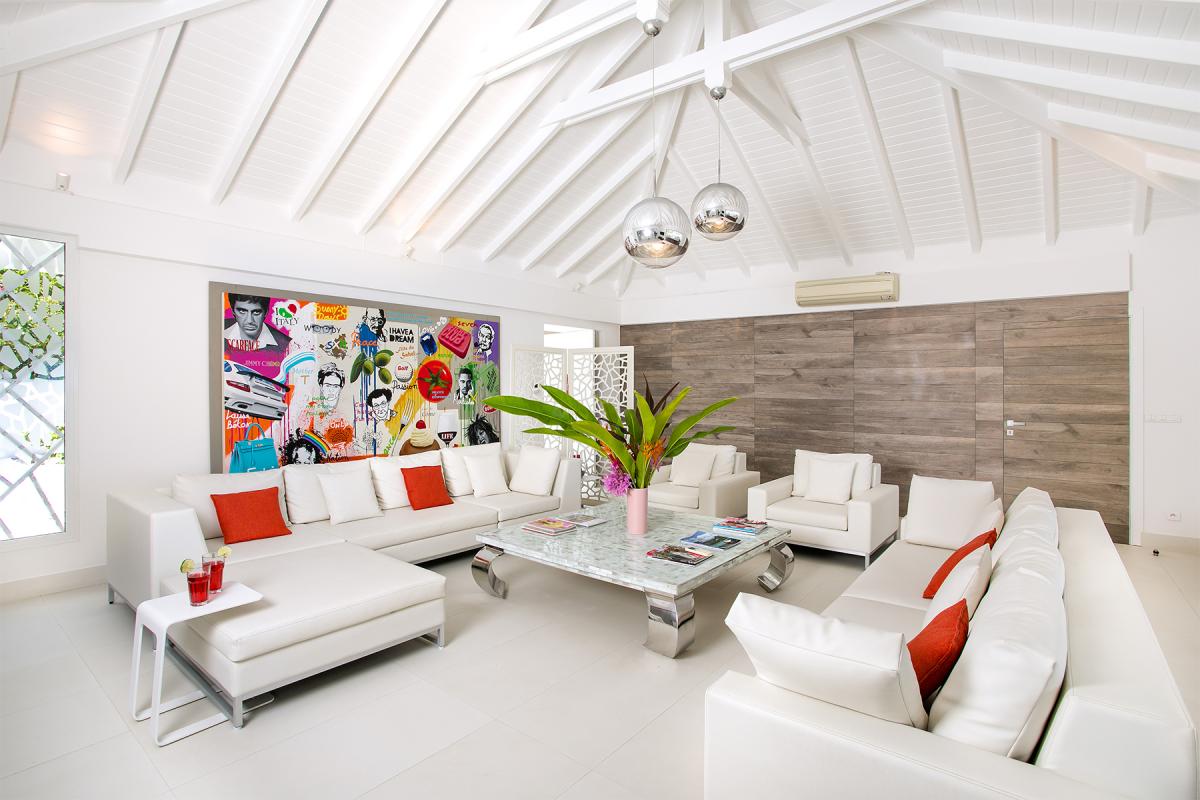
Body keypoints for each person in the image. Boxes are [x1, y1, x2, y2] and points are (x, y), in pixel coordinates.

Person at [223, 294, 293, 378]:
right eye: (242, 311)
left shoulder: (287, 346)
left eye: (256, 312)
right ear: (233, 311)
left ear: (266, 312)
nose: (249, 320)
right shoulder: (217, 328)